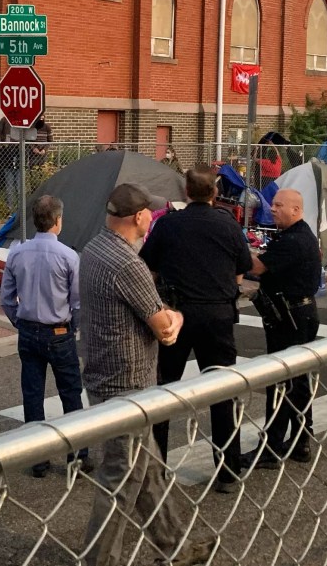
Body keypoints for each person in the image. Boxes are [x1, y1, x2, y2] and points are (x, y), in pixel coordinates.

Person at [79, 184, 210, 566]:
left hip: (105, 376)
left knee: (149, 473)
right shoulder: (127, 264)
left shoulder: (93, 249)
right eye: (149, 212)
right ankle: (99, 560)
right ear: (137, 217)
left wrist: (164, 316)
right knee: (121, 477)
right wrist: (178, 316)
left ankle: (176, 549)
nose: (152, 217)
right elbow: (162, 326)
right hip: (128, 386)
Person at [140, 165, 252, 493]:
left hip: (177, 313)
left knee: (163, 392)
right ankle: (228, 470)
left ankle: (156, 469)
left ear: (186, 192)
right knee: (222, 392)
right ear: (215, 192)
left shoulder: (168, 224)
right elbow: (242, 268)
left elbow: (150, 267)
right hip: (217, 315)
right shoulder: (228, 224)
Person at [0, 195, 89, 477]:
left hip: (28, 329)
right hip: (59, 330)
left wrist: (19, 320)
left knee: (33, 393)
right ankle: (77, 456)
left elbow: (6, 298)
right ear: (58, 221)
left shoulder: (17, 253)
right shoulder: (68, 256)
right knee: (71, 393)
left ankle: (38, 457)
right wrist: (72, 326)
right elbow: (77, 301)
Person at [242, 188, 321, 468]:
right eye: (273, 205)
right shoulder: (295, 235)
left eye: (278, 205)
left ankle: (272, 447)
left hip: (291, 316)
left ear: (295, 210)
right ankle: (301, 439)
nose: (272, 208)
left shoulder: (294, 240)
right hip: (299, 313)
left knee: (280, 381)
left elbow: (258, 267)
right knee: (298, 381)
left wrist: (235, 246)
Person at [0, 116, 23, 213]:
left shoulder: (22, 120)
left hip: (19, 155)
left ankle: (20, 209)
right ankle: (9, 208)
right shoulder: (4, 119)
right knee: (9, 186)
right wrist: (0, 144)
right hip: (7, 155)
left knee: (20, 187)